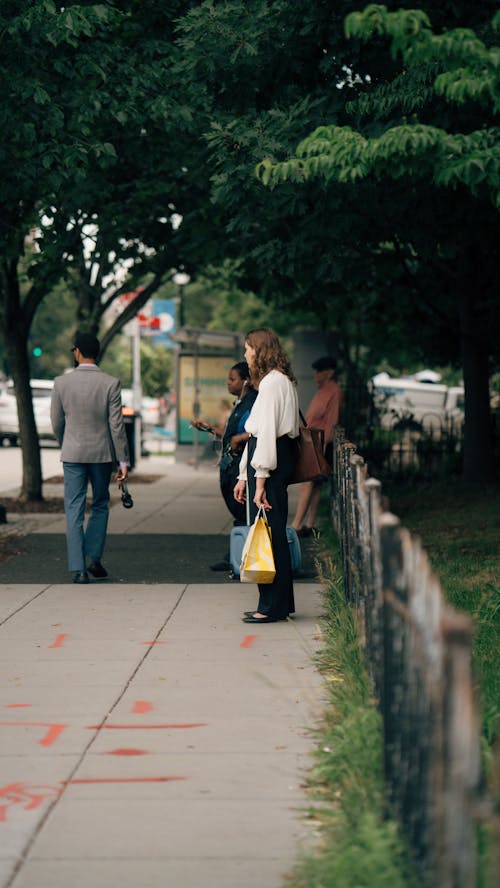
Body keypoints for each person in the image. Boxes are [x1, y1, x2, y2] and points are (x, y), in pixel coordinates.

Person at [50, 332, 130, 583]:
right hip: (101, 454)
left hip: (73, 453)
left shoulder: (61, 383)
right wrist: (123, 461)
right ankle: (94, 558)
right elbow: (116, 425)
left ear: (77, 352)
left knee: (73, 508)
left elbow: (56, 421)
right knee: (100, 504)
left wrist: (66, 442)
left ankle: (79, 569)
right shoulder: (110, 383)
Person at [234, 328, 299, 623]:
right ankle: (277, 603)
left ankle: (272, 606)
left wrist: (258, 479)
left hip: (269, 464)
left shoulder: (273, 383)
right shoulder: (275, 382)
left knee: (269, 535)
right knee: (270, 534)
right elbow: (257, 435)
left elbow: (267, 435)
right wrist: (244, 476)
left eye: (248, 348)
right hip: (268, 462)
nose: (245, 354)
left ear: (259, 350)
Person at [192, 361, 257, 570]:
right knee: (238, 511)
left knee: (243, 511)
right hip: (230, 465)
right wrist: (210, 428)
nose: (228, 383)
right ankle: (237, 555)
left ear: (245, 380)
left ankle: (240, 557)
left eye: (232, 379)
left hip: (242, 465)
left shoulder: (254, 402)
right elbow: (231, 434)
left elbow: (258, 430)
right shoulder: (240, 403)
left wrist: (240, 438)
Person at [290, 355, 343, 537]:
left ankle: (296, 525)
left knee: (308, 483)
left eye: (319, 371)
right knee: (315, 484)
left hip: (319, 443)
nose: (315, 375)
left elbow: (332, 420)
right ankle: (309, 523)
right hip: (311, 440)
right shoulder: (322, 390)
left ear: (330, 373)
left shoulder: (334, 391)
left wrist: (323, 446)